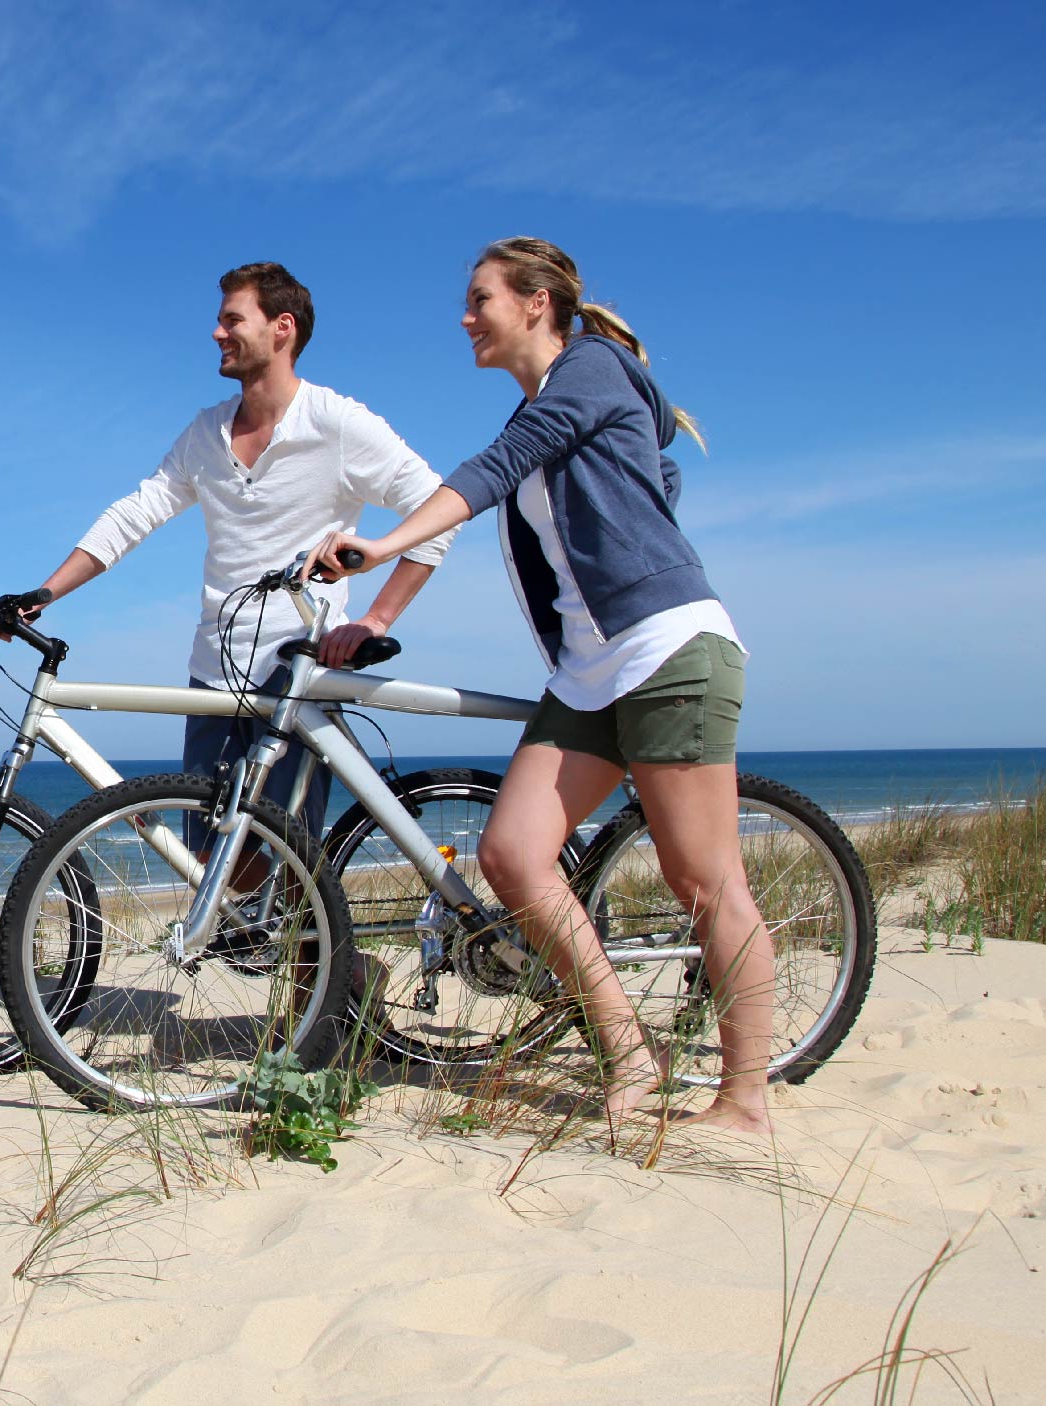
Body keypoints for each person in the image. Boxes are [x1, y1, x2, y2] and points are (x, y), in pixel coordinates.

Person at [311, 237, 776, 1133]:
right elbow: (649, 474)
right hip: (591, 670)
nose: (465, 314)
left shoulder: (592, 367)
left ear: (535, 303)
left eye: (480, 297)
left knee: (704, 879)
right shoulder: (558, 406)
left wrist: (383, 546)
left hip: (668, 649)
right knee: (514, 856)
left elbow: (496, 470)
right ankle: (627, 1052)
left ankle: (745, 1100)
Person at [1, 261, 459, 849]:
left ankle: (320, 945)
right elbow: (133, 515)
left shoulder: (337, 423)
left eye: (232, 320)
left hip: (300, 671)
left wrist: (376, 620)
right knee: (212, 861)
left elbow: (437, 509)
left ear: (282, 327)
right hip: (213, 674)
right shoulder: (205, 432)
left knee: (295, 867)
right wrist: (45, 593)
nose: (217, 333)